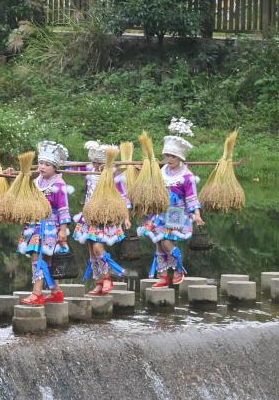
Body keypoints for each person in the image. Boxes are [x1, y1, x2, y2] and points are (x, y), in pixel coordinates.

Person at [138, 118, 204, 287]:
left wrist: (197, 214)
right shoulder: (162, 171)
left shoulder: (187, 176)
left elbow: (192, 197)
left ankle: (178, 269)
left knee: (167, 241)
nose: (169, 159)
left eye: (173, 156)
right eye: (167, 155)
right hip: (161, 211)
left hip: (176, 212)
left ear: (180, 157)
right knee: (159, 243)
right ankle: (163, 277)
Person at [18, 141, 72, 306]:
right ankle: (55, 292)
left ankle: (37, 293)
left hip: (51, 227)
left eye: (47, 164)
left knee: (39, 257)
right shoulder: (37, 181)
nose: (42, 167)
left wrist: (63, 231)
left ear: (55, 167)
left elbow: (63, 209)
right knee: (42, 258)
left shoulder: (59, 184)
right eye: (40, 163)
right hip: (35, 225)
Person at [73, 141, 131, 295]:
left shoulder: (114, 175)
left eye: (99, 163)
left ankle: (107, 278)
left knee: (98, 248)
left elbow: (123, 196)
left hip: (105, 216)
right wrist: (55, 166)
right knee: (92, 252)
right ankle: (98, 282)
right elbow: (70, 167)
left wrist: (126, 217)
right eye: (93, 162)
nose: (96, 165)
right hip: (89, 215)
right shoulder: (89, 170)